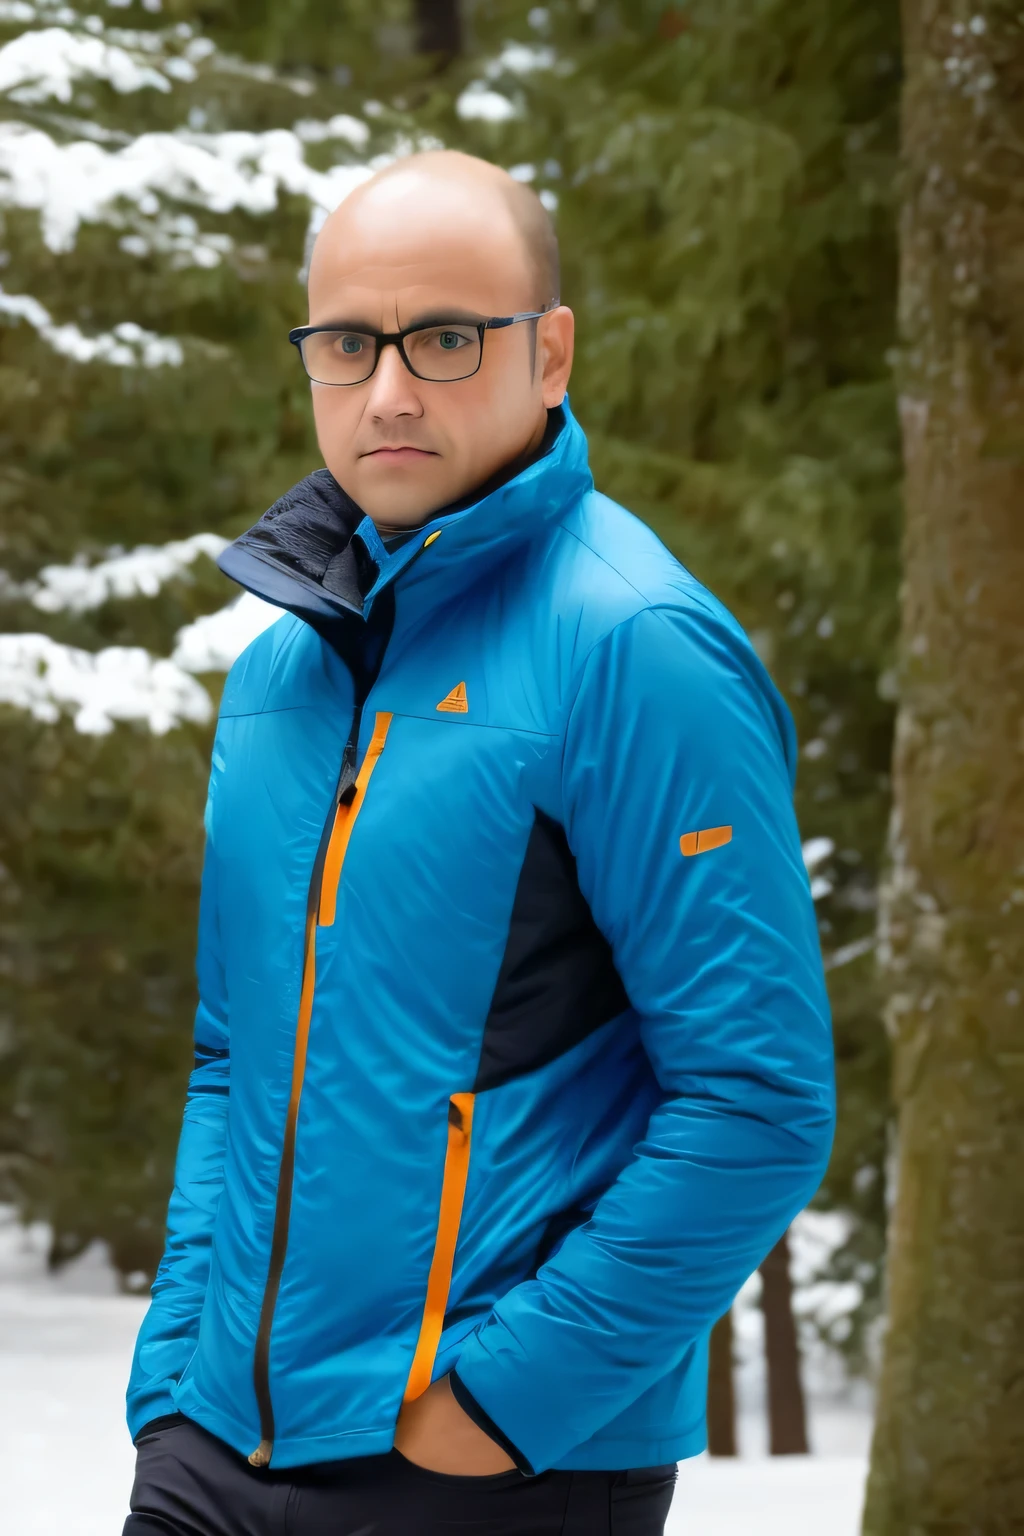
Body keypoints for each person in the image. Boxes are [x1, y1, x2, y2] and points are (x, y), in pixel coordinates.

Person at [123, 150, 835, 1536]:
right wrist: (177, 1371)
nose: (388, 390)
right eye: (348, 343)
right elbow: (234, 1057)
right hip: (219, 1449)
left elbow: (757, 1100)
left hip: (492, 1465)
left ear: (549, 352)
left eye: (446, 340)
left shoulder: (635, 648)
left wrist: (503, 1406)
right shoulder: (281, 671)